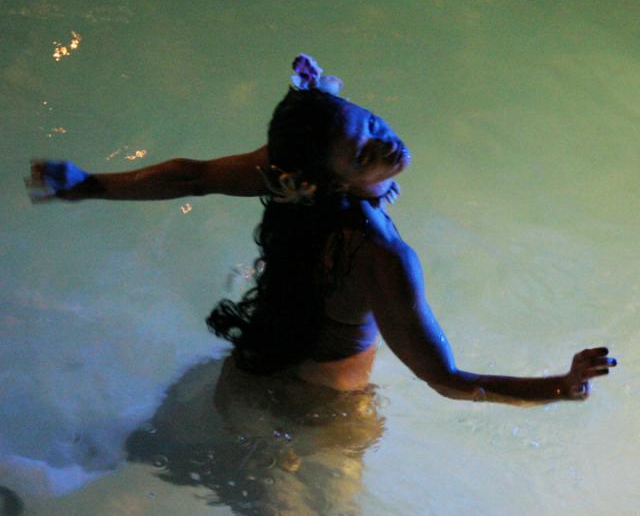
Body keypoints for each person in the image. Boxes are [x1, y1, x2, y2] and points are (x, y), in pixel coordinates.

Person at [27, 54, 616, 405]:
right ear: (332, 181)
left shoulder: (290, 174)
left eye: (373, 124)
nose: (387, 145)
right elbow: (444, 379)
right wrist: (559, 387)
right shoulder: (381, 255)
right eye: (365, 154)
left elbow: (193, 177)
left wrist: (88, 184)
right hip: (320, 413)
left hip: (252, 366)